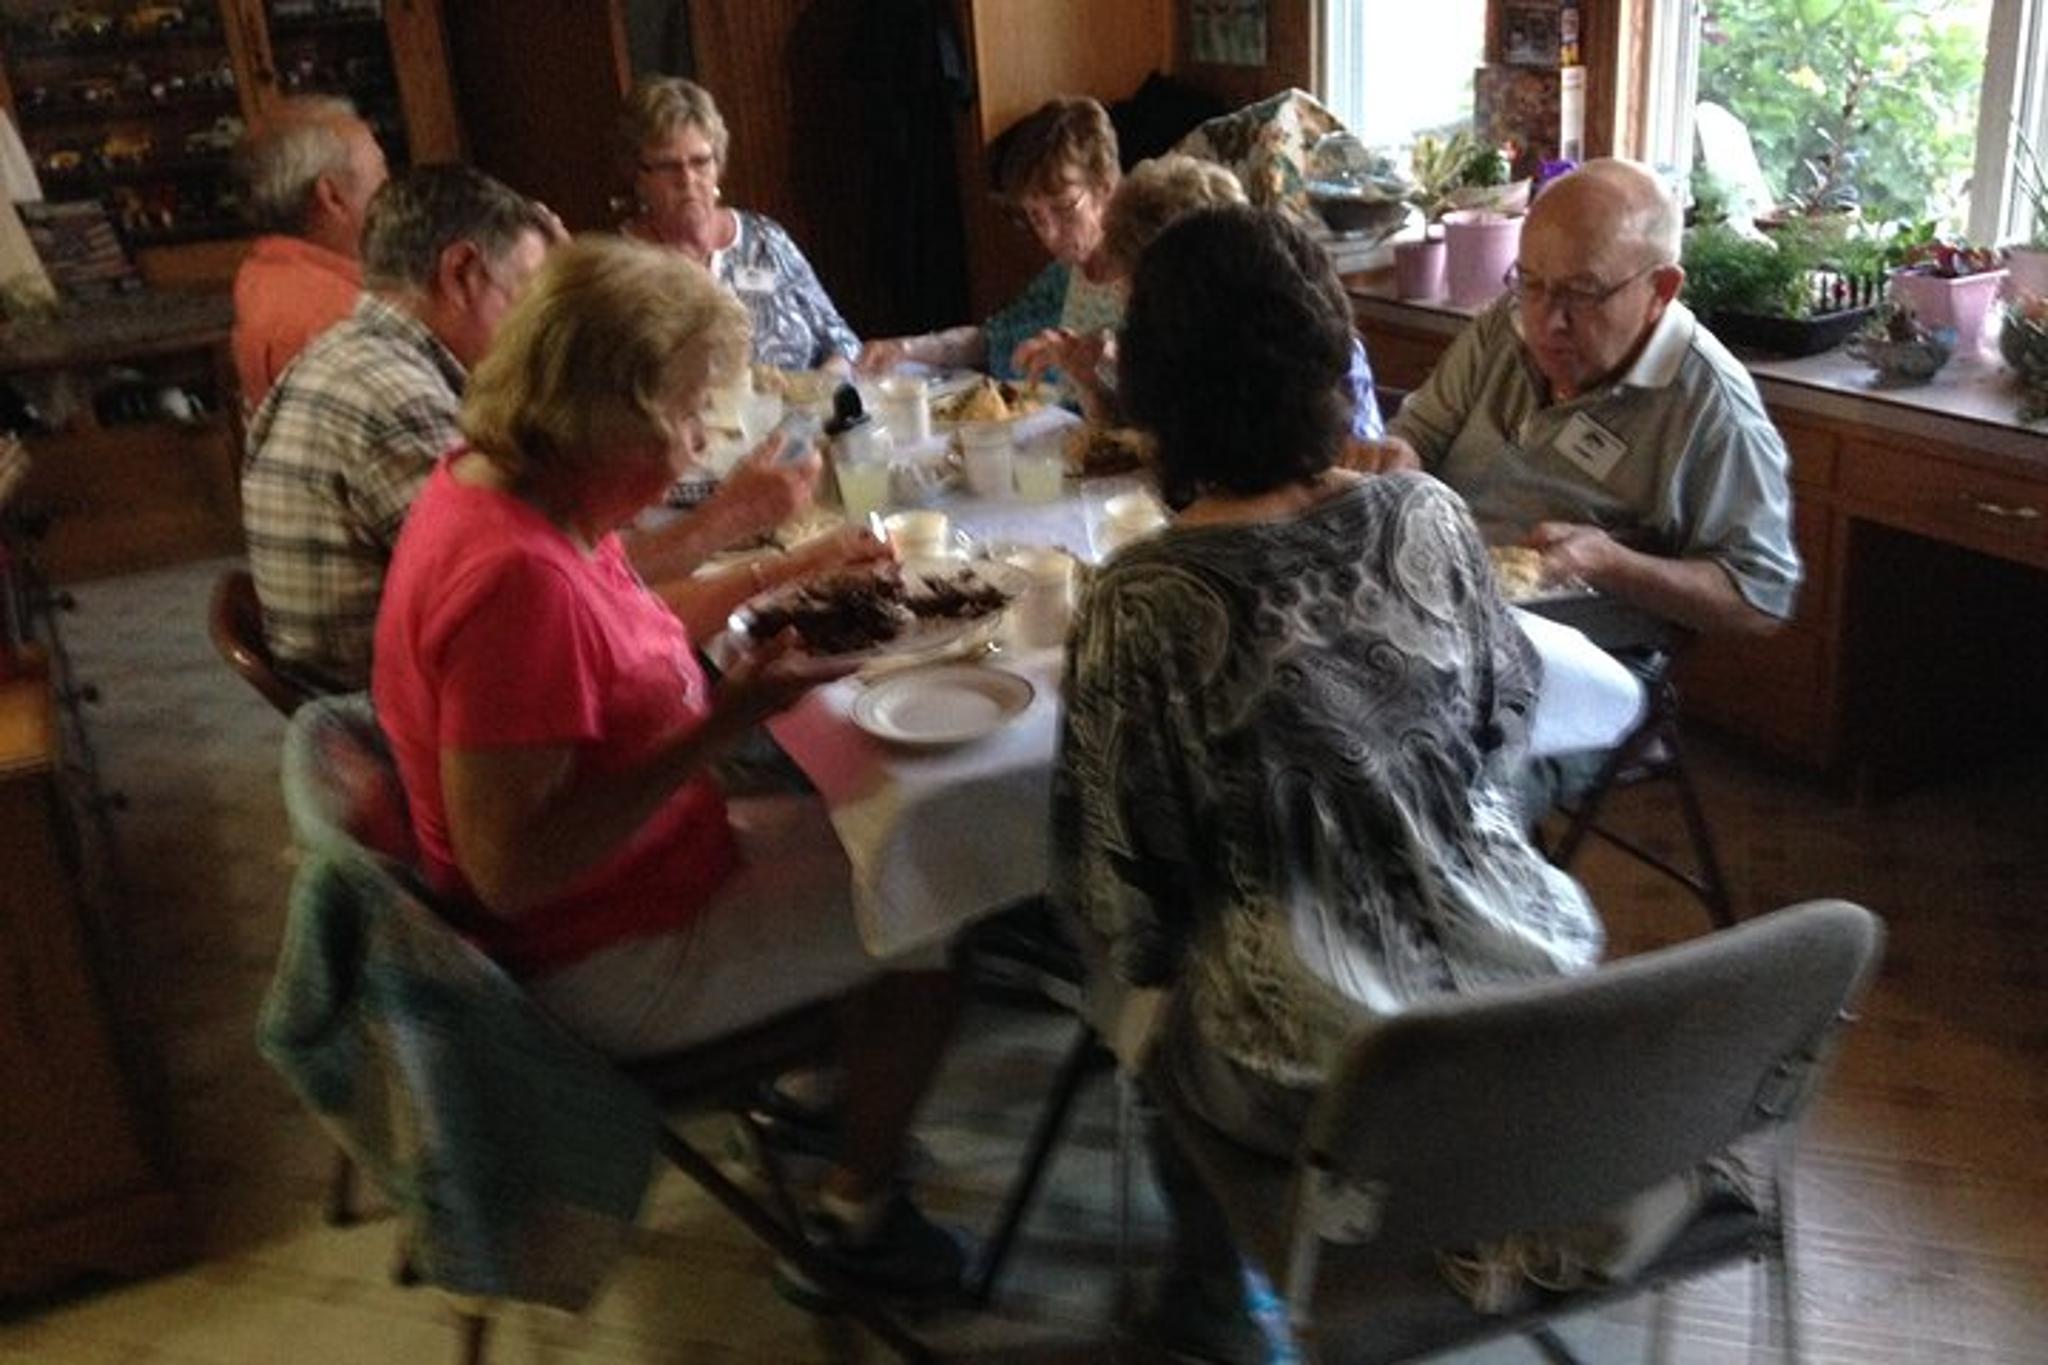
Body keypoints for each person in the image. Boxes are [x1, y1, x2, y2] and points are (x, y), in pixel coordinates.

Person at [1051, 206, 1601, 1362]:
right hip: (1545, 1008)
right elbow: (1505, 738)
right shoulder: (1429, 516)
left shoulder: (1142, 600)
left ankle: (1210, 1303)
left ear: (1153, 389)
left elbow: (1126, 904)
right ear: (1325, 356)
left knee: (1142, 992)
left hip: (1336, 1075)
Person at [370, 235, 963, 1297]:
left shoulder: (500, 485)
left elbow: (626, 625)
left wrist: (801, 562)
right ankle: (854, 1220)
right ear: (614, 413)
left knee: (878, 832)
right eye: (689, 414)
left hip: (650, 871)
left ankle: (822, 1089)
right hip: (591, 953)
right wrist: (716, 725)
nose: (698, 446)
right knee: (931, 898)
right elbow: (512, 867)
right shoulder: (515, 583)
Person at [244, 164, 841, 693]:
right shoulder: (399, 400)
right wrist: (736, 517)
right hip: (395, 724)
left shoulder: (361, 358)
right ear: (463, 272)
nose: (540, 321)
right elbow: (558, 608)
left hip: (414, 700)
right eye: (531, 291)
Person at [1363, 158, 1801, 637]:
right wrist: (1399, 455)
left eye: (1583, 292)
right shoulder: (1504, 325)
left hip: (1570, 651)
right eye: (1531, 282)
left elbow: (1760, 597)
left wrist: (1611, 564)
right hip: (1432, 603)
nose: (1548, 321)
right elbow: (1421, 432)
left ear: (1662, 288)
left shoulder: (1713, 409)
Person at [1012, 152, 1387, 439]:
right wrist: (1093, 383)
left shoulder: (1301, 350)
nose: (1126, 295)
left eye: (1137, 282)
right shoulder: (1190, 338)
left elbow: (1349, 482)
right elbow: (1148, 449)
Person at [860, 96, 1123, 379]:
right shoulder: (1065, 273)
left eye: (1062, 209)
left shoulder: (1149, 277)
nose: (1050, 234)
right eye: (1036, 217)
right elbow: (991, 339)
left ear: (1105, 186)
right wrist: (906, 347)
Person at [619, 76, 859, 373]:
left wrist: (822, 392)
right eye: (668, 166)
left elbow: (841, 340)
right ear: (638, 175)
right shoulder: (620, 268)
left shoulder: (764, 239)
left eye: (700, 161)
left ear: (718, 164)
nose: (687, 180)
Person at [230, 97, 388, 408]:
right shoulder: (339, 321)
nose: (392, 188)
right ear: (332, 197)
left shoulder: (264, 274)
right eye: (381, 173)